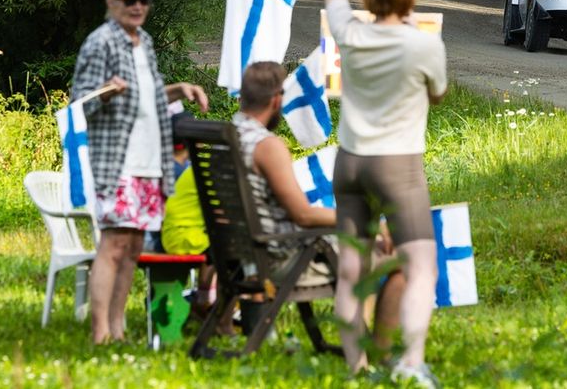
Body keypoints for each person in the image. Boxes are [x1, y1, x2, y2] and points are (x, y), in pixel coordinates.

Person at [162, 61, 405, 346]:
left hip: (236, 257)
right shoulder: (267, 147)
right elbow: (303, 215)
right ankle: (380, 354)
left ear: (243, 97)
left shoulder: (220, 139)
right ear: (277, 100)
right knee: (400, 258)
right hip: (277, 259)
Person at [322, 0, 448, 387]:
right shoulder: (423, 46)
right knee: (421, 268)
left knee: (351, 271)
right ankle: (412, 363)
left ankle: (355, 367)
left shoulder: (349, 32)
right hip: (398, 168)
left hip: (350, 161)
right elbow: (437, 95)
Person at [71, 0, 209, 344]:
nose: (137, 6)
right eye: (129, 0)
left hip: (151, 163)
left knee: (133, 247)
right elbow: (78, 105)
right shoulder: (101, 42)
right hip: (118, 163)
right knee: (114, 243)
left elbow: (146, 98)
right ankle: (100, 331)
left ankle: (118, 328)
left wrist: (179, 89)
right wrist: (104, 92)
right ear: (111, 3)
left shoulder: (143, 42)